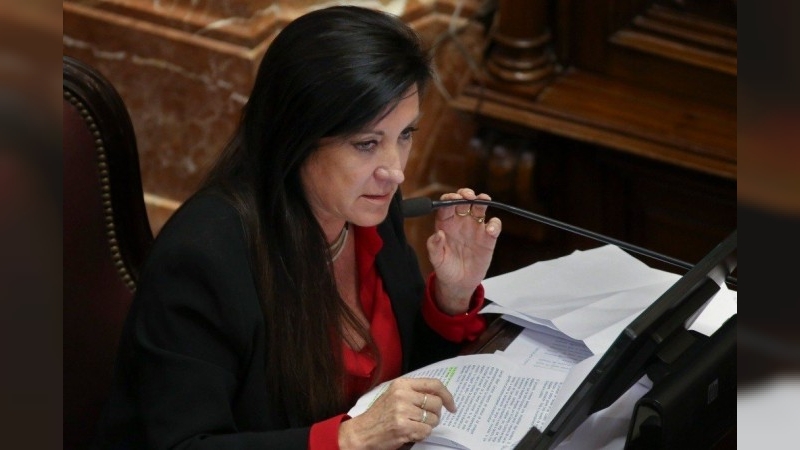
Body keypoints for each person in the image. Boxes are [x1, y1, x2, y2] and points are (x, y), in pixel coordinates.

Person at [92, 5, 502, 449]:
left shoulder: (370, 211)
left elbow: (407, 385)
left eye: (405, 135)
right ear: (296, 138)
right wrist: (350, 439)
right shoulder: (202, 258)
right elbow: (181, 445)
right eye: (367, 143)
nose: (395, 171)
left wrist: (452, 295)